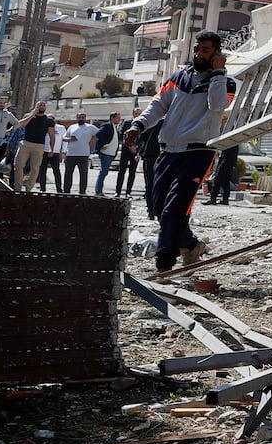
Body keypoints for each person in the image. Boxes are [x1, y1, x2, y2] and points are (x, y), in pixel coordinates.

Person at [125, 33, 235, 271]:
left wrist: (218, 73)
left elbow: (217, 105)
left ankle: (164, 264)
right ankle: (191, 245)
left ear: (216, 53)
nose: (198, 54)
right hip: (168, 150)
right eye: (197, 49)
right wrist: (138, 125)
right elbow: (158, 105)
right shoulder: (179, 77)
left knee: (175, 208)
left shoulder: (226, 82)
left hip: (198, 152)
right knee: (158, 207)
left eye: (205, 50)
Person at [11, 102, 51, 192]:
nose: (41, 107)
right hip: (25, 144)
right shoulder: (28, 116)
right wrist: (32, 114)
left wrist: (52, 148)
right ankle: (18, 187)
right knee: (18, 165)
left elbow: (52, 135)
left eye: (43, 105)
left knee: (35, 167)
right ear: (36, 107)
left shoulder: (48, 120)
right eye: (40, 105)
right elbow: (21, 124)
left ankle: (29, 188)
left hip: (39, 146)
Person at [63, 111, 95, 194]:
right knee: (68, 173)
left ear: (85, 118)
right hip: (71, 154)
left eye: (83, 117)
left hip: (83, 154)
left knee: (83, 174)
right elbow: (64, 138)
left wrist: (93, 143)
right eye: (79, 117)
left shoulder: (90, 127)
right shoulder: (72, 127)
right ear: (77, 118)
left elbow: (99, 134)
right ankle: (66, 191)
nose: (81, 119)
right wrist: (71, 139)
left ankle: (82, 191)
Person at [93, 111, 121, 196]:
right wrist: (104, 143)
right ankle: (98, 191)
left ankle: (99, 190)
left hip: (111, 153)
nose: (119, 120)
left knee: (105, 172)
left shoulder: (115, 127)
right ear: (112, 118)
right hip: (106, 153)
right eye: (117, 118)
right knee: (103, 171)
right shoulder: (108, 125)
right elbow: (98, 133)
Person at [114, 113, 140, 198]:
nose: (137, 115)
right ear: (133, 114)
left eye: (139, 113)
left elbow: (142, 139)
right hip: (126, 150)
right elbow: (121, 134)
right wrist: (129, 145)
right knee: (121, 171)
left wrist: (138, 151)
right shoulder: (127, 123)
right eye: (136, 113)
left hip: (135, 151)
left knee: (132, 173)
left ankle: (128, 192)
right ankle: (118, 191)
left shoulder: (142, 123)